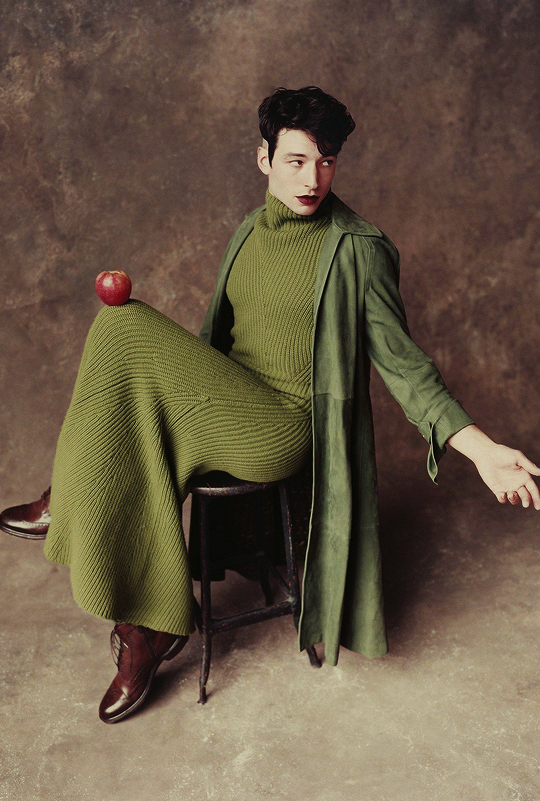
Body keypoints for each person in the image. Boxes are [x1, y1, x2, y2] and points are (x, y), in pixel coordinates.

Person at [2, 87, 539, 725]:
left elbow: (406, 366)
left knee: (123, 324)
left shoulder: (357, 249)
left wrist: (481, 449)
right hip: (231, 404)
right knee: (133, 384)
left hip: (283, 426)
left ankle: (68, 499)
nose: (313, 179)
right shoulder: (248, 233)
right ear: (264, 159)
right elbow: (216, 345)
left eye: (326, 161)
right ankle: (147, 627)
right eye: (296, 161)